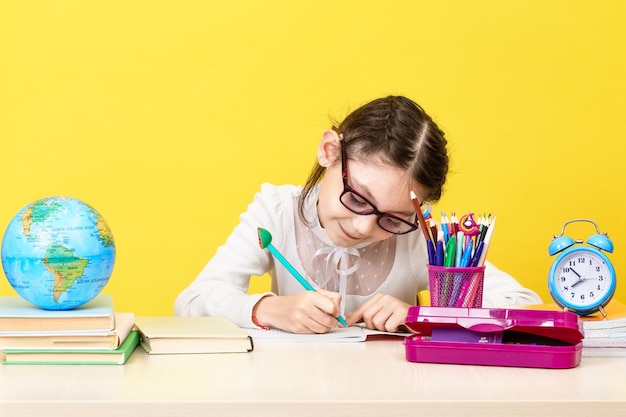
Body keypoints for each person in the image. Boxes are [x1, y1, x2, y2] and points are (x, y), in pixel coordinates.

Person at [174, 95, 541, 333]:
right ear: (330, 151)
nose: (364, 226)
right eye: (358, 197)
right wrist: (268, 309)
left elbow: (522, 304)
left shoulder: (419, 237)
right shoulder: (277, 212)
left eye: (393, 218)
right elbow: (192, 302)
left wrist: (422, 318)